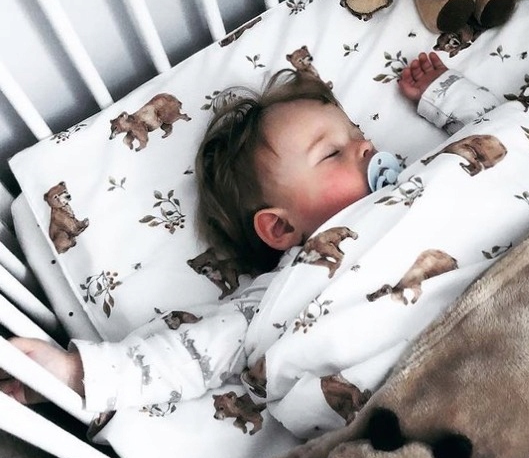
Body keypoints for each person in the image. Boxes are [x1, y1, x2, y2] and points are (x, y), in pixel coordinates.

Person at [1, 49, 499, 415]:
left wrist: (443, 92)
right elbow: (189, 353)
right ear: (280, 226)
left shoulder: (423, 176)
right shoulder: (284, 291)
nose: (364, 147)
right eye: (332, 153)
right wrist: (74, 373)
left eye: (357, 135)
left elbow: (507, 138)